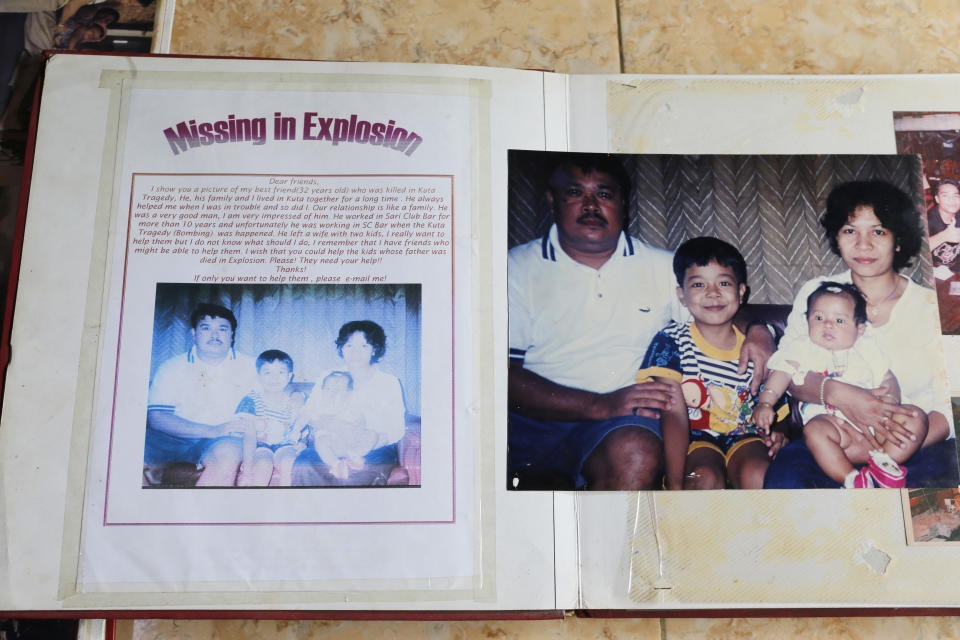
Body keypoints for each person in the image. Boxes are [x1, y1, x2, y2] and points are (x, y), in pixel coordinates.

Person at [507, 153, 775, 490]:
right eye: (575, 192)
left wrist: (759, 330)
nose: (591, 205)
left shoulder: (663, 268)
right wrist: (597, 404)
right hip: (532, 422)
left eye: (604, 194)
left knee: (635, 451)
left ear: (622, 203)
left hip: (623, 424)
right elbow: (500, 375)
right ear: (552, 200)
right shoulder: (515, 268)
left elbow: (720, 305)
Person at [765, 180, 957, 489]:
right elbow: (789, 368)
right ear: (837, 238)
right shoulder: (817, 294)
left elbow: (949, 405)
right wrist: (838, 394)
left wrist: (894, 448)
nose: (863, 244)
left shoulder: (931, 307)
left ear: (898, 240)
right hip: (832, 438)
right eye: (850, 231)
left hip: (917, 443)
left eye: (878, 231)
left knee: (934, 508)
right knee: (785, 481)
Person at [637, 237, 787, 490]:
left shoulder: (758, 349)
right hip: (693, 440)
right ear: (681, 296)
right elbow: (672, 414)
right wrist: (675, 487)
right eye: (698, 284)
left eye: (724, 283)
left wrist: (780, 433)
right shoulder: (670, 341)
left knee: (759, 475)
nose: (712, 292)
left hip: (746, 436)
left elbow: (777, 402)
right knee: (703, 478)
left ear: (741, 292)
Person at [756, 282, 925, 488]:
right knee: (815, 430)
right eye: (819, 318)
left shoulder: (867, 348)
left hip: (877, 429)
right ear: (807, 320)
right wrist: (765, 402)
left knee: (915, 417)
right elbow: (782, 372)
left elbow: (888, 379)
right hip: (836, 430)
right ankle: (852, 479)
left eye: (839, 320)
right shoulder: (801, 348)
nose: (828, 325)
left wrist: (887, 408)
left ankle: (884, 464)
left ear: (860, 328)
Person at [145, 303, 257, 486]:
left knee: (228, 454)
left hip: (225, 440)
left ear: (232, 335)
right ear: (194, 333)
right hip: (172, 438)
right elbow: (157, 417)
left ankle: (205, 512)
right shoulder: (171, 367)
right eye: (206, 328)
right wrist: (212, 430)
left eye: (222, 329)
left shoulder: (252, 367)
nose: (215, 335)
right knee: (130, 449)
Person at [291, 320, 407, 486]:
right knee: (304, 465)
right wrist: (333, 425)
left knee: (354, 476)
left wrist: (369, 443)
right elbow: (310, 411)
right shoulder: (328, 376)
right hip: (332, 442)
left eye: (364, 346)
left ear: (374, 349)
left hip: (375, 446)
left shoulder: (389, 382)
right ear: (341, 348)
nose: (355, 352)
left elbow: (396, 428)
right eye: (349, 345)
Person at [234, 349, 307, 487]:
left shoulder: (295, 401)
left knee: (289, 462)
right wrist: (247, 466)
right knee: (262, 464)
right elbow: (249, 434)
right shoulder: (251, 400)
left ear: (289, 376)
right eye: (268, 372)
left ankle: (286, 502)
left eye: (280, 372)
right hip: (260, 445)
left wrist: (303, 442)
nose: (274, 378)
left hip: (286, 444)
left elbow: (303, 424)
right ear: (259, 376)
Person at [295, 370, 369, 480]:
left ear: (349, 393)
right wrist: (296, 429)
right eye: (328, 389)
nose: (332, 392)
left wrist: (358, 428)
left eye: (338, 389)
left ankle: (354, 456)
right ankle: (336, 464)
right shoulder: (319, 407)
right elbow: (305, 416)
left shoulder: (350, 407)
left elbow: (361, 419)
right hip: (328, 440)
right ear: (322, 390)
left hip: (348, 440)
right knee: (321, 442)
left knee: (371, 435)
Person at [926, 178, 960, 266]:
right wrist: (944, 236)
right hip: (934, 271)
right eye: (945, 196)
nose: (952, 200)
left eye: (956, 196)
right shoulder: (927, 220)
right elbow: (915, 250)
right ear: (937, 199)